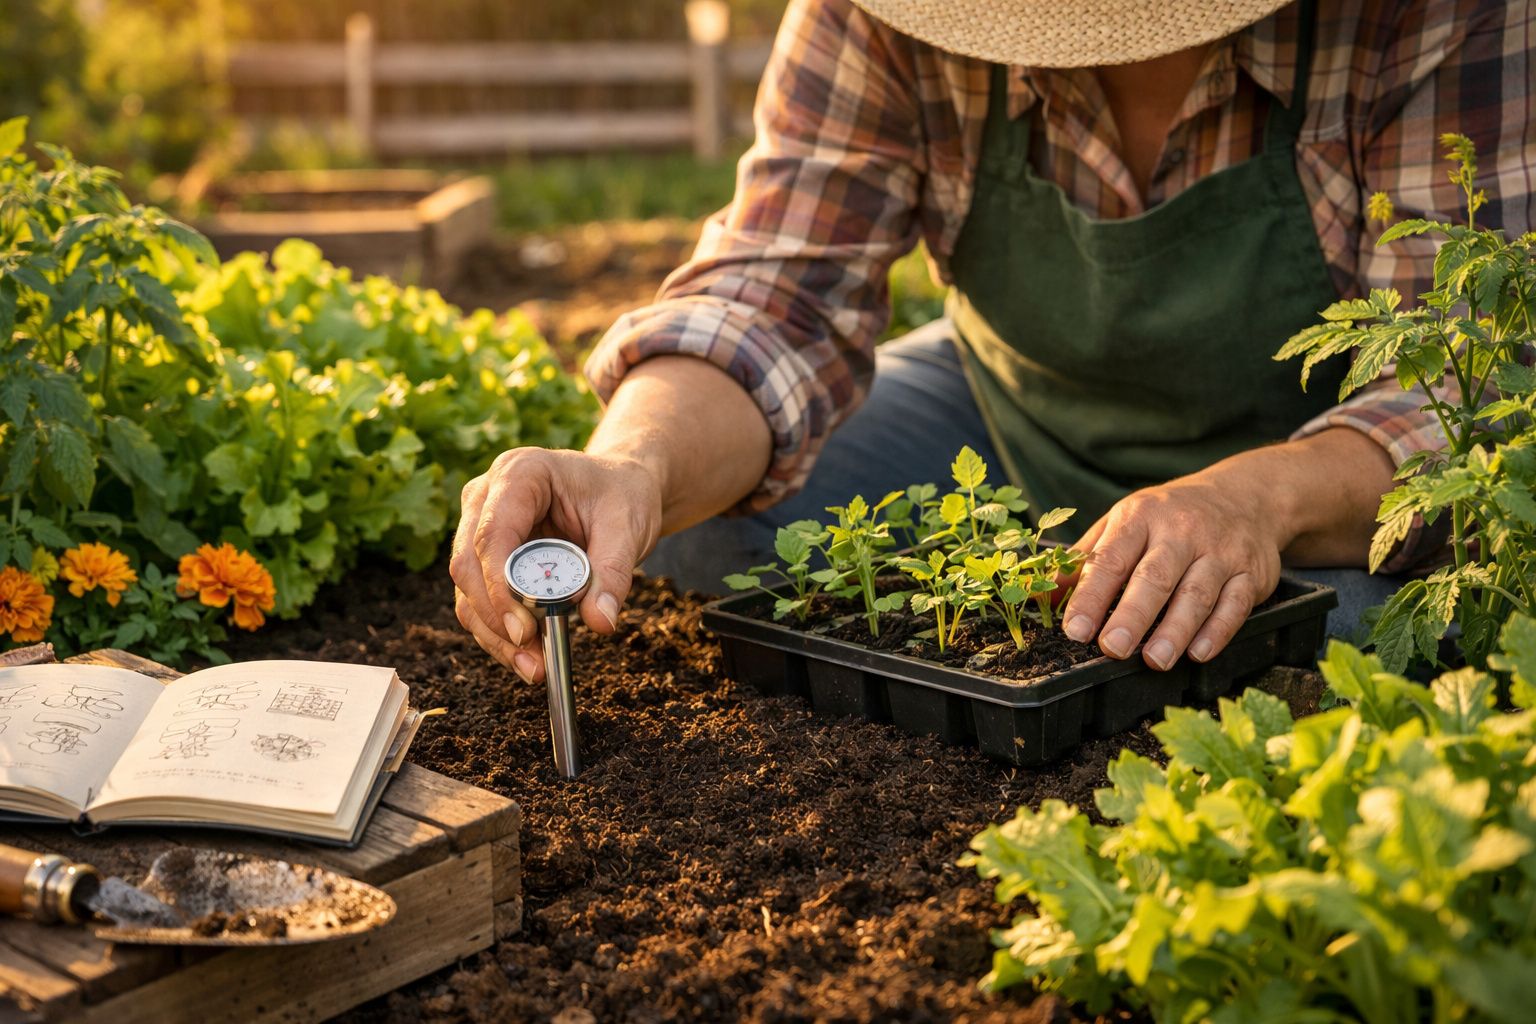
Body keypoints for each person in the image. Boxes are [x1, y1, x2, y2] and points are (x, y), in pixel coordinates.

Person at [452, 0, 1535, 684]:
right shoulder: (883, 15)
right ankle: (1061, 575)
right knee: (694, 538)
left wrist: (1253, 501)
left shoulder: (1437, 15)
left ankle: (1123, 590)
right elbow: (776, 294)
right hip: (1016, 406)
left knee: (1360, 649)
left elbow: (1464, 392)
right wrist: (631, 461)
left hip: (1318, 495)